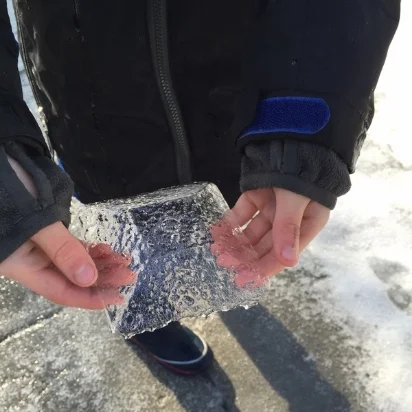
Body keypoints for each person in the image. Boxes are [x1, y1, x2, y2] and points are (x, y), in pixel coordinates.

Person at [0, 0, 400, 374]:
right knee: (120, 239)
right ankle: (145, 311)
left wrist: (300, 114)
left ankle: (214, 272)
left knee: (224, 217)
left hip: (230, 86)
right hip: (87, 87)